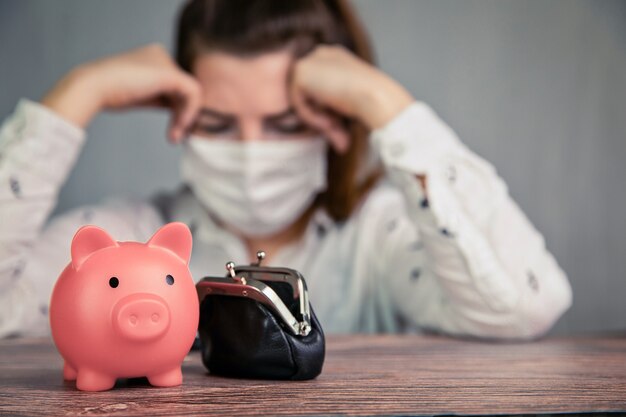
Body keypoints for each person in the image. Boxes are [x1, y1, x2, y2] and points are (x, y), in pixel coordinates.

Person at [0, 0, 571, 339]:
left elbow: (525, 306)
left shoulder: (380, 238)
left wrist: (385, 104)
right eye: (219, 125)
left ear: (337, 124)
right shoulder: (131, 238)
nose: (252, 152)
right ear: (181, 120)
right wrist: (77, 95)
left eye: (285, 126)